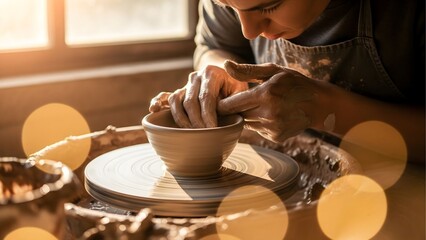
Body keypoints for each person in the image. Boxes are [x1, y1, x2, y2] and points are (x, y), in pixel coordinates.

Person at [149, 0, 425, 163]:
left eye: (270, 6)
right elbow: (214, 45)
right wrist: (220, 72)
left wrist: (326, 109)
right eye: (229, 7)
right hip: (292, 168)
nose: (250, 31)